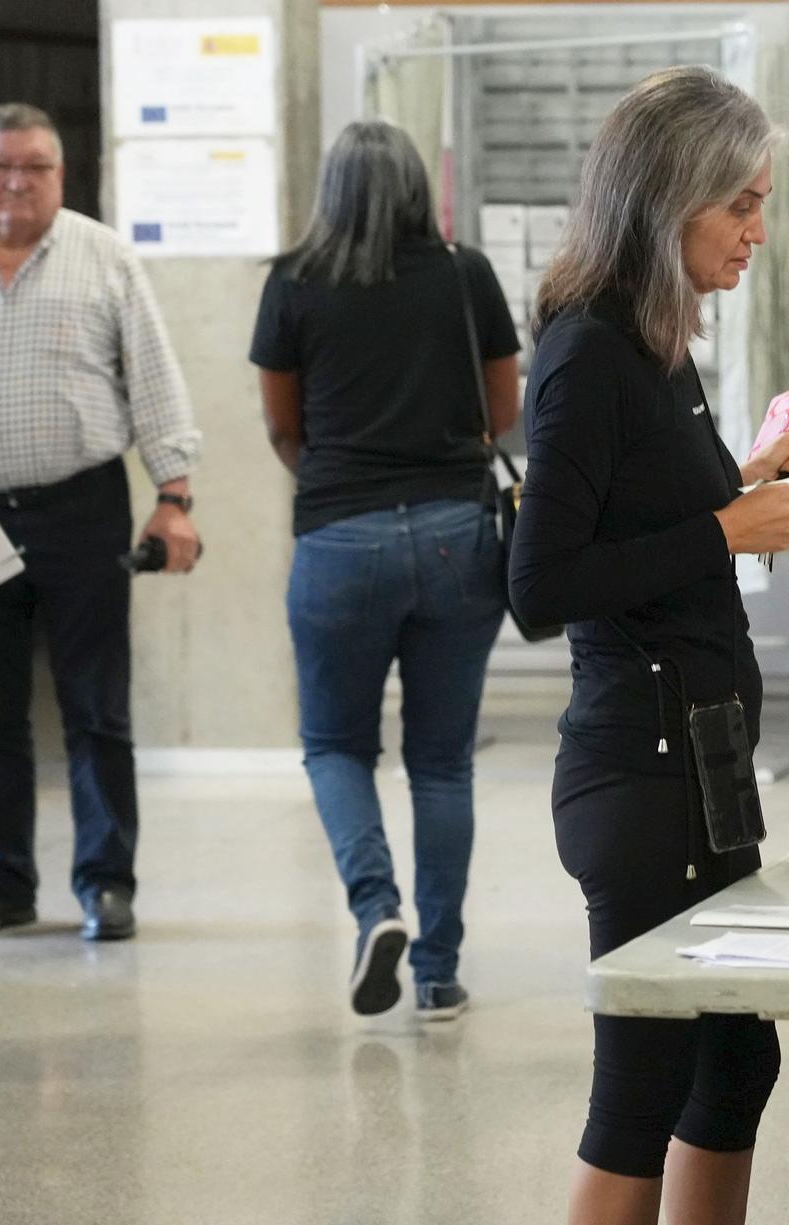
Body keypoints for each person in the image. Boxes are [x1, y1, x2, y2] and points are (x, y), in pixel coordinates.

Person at [507, 68, 789, 1225]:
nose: (760, 230)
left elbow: (659, 507)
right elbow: (538, 585)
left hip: (700, 756)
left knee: (735, 1057)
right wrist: (718, 532)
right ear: (669, 200)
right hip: (634, 772)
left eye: (763, 205)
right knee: (641, 1077)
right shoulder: (583, 348)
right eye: (741, 206)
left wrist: (752, 486)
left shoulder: (658, 337)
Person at [248, 121, 518, 1021]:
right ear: (415, 187)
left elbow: (285, 428)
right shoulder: (464, 273)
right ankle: (438, 973)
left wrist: (343, 484)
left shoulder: (292, 281)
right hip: (456, 535)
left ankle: (378, 910)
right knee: (442, 763)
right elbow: (505, 406)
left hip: (338, 539)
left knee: (335, 745)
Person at [0, 102, 201, 943]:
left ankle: (105, 883)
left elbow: (156, 384)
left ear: (60, 176)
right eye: (0, 166)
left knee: (95, 706)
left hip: (81, 506)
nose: (17, 183)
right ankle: (3, 882)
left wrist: (174, 498)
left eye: (36, 166)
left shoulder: (103, 257)